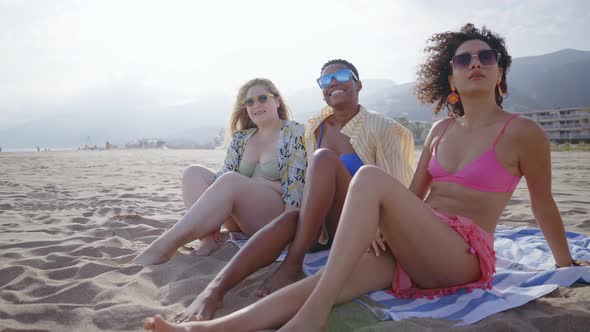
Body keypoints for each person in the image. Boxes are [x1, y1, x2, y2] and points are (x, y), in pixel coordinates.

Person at [143, 24, 589, 332]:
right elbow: (414, 196)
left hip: (466, 253)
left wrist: (565, 265)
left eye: (485, 56)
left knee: (369, 179)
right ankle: (218, 327)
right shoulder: (441, 129)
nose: (475, 62)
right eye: (464, 58)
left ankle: (313, 317)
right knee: (326, 280)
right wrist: (380, 227)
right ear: (450, 74)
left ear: (499, 70)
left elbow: (543, 203)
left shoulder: (522, 132)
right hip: (418, 241)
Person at [172, 59, 414, 322]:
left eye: (342, 75)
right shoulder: (314, 128)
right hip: (327, 226)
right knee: (289, 218)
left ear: (358, 83)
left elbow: (400, 188)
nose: (333, 82)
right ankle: (213, 292)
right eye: (325, 80)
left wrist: (379, 224)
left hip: (367, 227)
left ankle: (292, 262)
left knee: (322, 159)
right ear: (321, 90)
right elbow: (299, 178)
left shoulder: (384, 128)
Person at [132, 78, 306, 265]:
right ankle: (208, 241)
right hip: (239, 220)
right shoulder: (242, 138)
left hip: (276, 218)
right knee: (194, 173)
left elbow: (296, 191)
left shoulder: (295, 133)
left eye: (263, 98)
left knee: (231, 181)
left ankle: (162, 248)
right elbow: (223, 178)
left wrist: (290, 238)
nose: (256, 105)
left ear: (277, 101)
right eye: (249, 102)